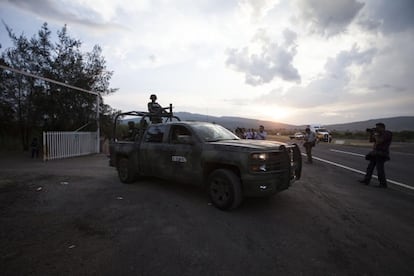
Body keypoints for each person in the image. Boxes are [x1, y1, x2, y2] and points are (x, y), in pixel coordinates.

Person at [359, 122, 392, 188]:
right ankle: (366, 180)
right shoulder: (378, 134)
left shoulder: (387, 133)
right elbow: (371, 141)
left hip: (382, 153)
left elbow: (379, 141)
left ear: (382, 127)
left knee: (380, 169)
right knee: (370, 168)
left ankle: (383, 184)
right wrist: (371, 134)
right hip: (375, 153)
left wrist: (375, 134)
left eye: (377, 128)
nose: (376, 129)